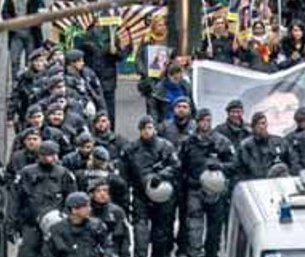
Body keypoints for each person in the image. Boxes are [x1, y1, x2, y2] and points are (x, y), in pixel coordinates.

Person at [178, 109, 236, 257]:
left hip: (215, 190)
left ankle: (212, 253)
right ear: (197, 122)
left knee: (215, 228)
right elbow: (179, 165)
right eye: (203, 120)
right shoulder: (187, 142)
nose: (206, 124)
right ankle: (194, 253)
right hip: (194, 189)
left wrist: (220, 167)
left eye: (208, 120)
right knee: (194, 227)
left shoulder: (221, 141)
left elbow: (234, 164)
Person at [122, 115, 179, 257]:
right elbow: (124, 175)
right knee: (140, 234)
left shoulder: (166, 146)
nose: (147, 131)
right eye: (143, 128)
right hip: (140, 195)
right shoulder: (131, 149)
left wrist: (160, 176)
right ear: (139, 130)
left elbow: (176, 166)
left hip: (162, 196)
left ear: (154, 129)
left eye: (149, 128)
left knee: (160, 234)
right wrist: (126, 198)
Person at [13, 140, 78, 257]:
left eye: (52, 155)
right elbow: (16, 199)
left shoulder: (64, 174)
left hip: (56, 224)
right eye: (45, 155)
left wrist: (66, 218)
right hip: (31, 224)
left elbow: (72, 200)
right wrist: (14, 223)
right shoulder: (26, 173)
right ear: (39, 155)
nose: (49, 159)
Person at [43, 191, 110, 257]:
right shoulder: (57, 230)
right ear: (74, 210)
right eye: (85, 206)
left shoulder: (96, 226)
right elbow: (48, 252)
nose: (89, 209)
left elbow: (108, 246)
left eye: (89, 205)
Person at [3, 0, 44, 78]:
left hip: (31, 32)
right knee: (14, 60)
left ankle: (29, 84)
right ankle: (15, 85)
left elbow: (41, 9)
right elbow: (5, 12)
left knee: (30, 61)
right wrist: (11, 23)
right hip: (16, 33)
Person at [88, 178, 131, 257]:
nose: (102, 194)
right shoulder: (85, 211)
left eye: (105, 190)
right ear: (91, 194)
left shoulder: (117, 212)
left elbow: (124, 238)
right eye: (98, 191)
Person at [237, 113, 284, 181]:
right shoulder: (245, 146)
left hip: (276, 184)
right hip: (254, 185)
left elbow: (291, 162)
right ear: (253, 127)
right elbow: (240, 169)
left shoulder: (278, 142)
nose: (262, 127)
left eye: (263, 123)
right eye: (258, 124)